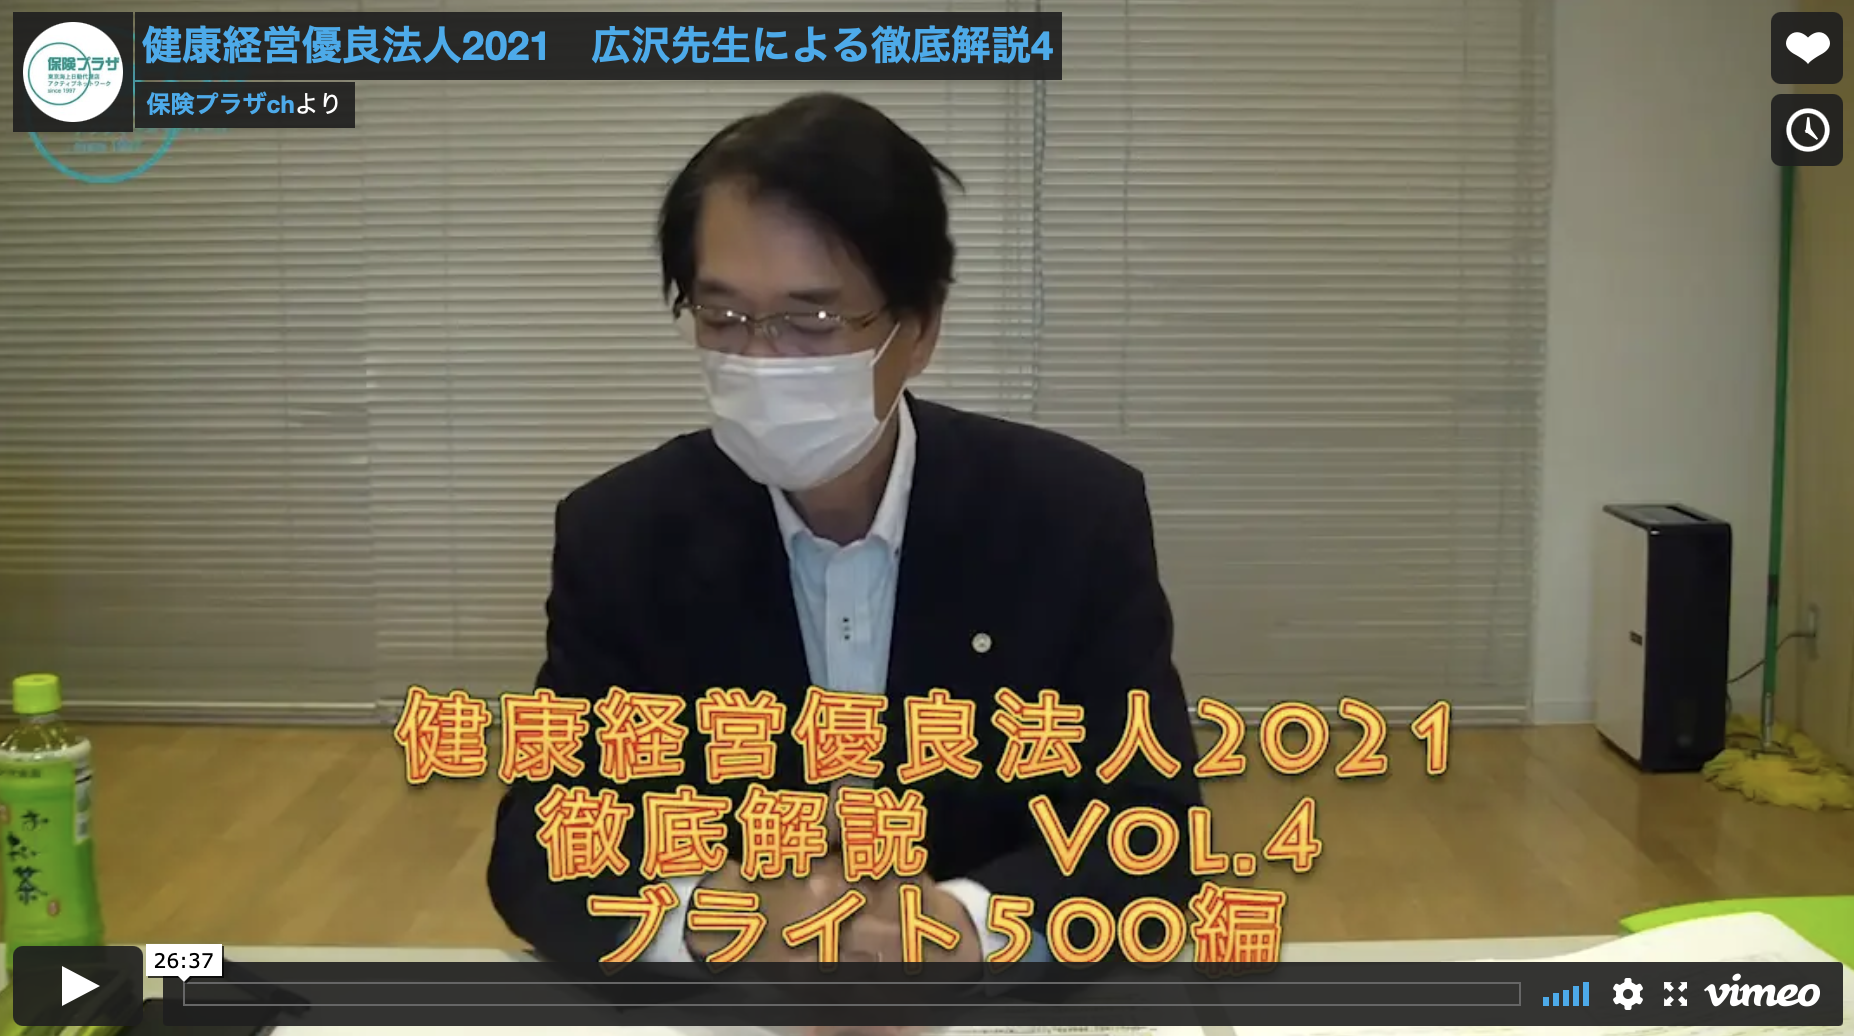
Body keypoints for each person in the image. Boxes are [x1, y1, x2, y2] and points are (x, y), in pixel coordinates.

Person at [487, 92, 1202, 974]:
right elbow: (538, 846)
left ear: (918, 329)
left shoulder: (1072, 518)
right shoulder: (624, 536)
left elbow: (1153, 828)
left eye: (811, 322)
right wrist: (711, 919)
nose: (758, 360)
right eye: (722, 317)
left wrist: (966, 923)